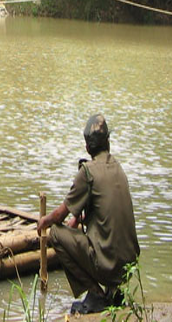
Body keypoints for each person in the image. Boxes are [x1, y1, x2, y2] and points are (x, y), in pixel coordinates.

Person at [37, 114, 140, 315]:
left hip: (107, 264)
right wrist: (78, 220)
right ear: (108, 143)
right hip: (129, 264)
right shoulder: (118, 167)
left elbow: (59, 217)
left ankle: (96, 294)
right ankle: (114, 292)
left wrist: (44, 221)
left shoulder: (88, 171)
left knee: (56, 234)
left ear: (87, 148)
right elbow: (105, 211)